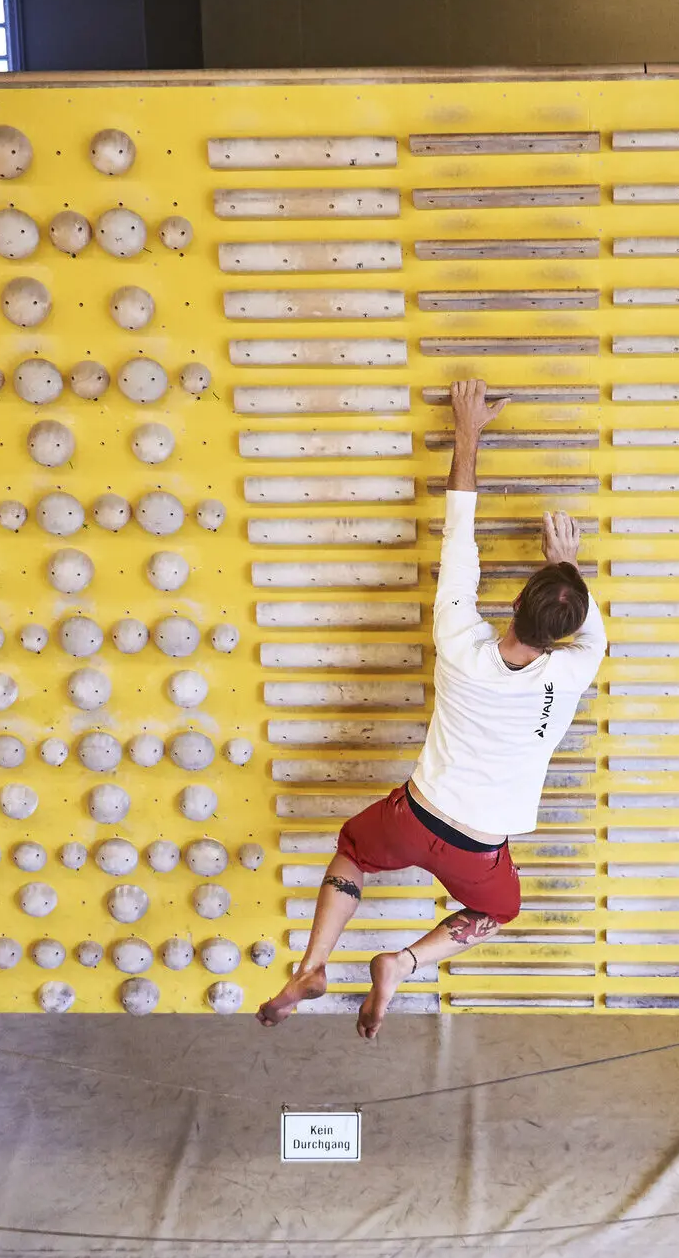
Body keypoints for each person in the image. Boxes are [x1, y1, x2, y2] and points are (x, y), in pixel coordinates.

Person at [257, 378, 607, 1039]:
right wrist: (568, 564)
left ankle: (313, 963)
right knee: (497, 909)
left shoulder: (457, 641)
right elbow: (590, 629)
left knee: (352, 853)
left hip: (414, 814)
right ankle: (404, 960)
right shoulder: (573, 669)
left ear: (514, 602)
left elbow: (460, 530)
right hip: (477, 848)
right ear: (566, 629)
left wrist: (468, 430)